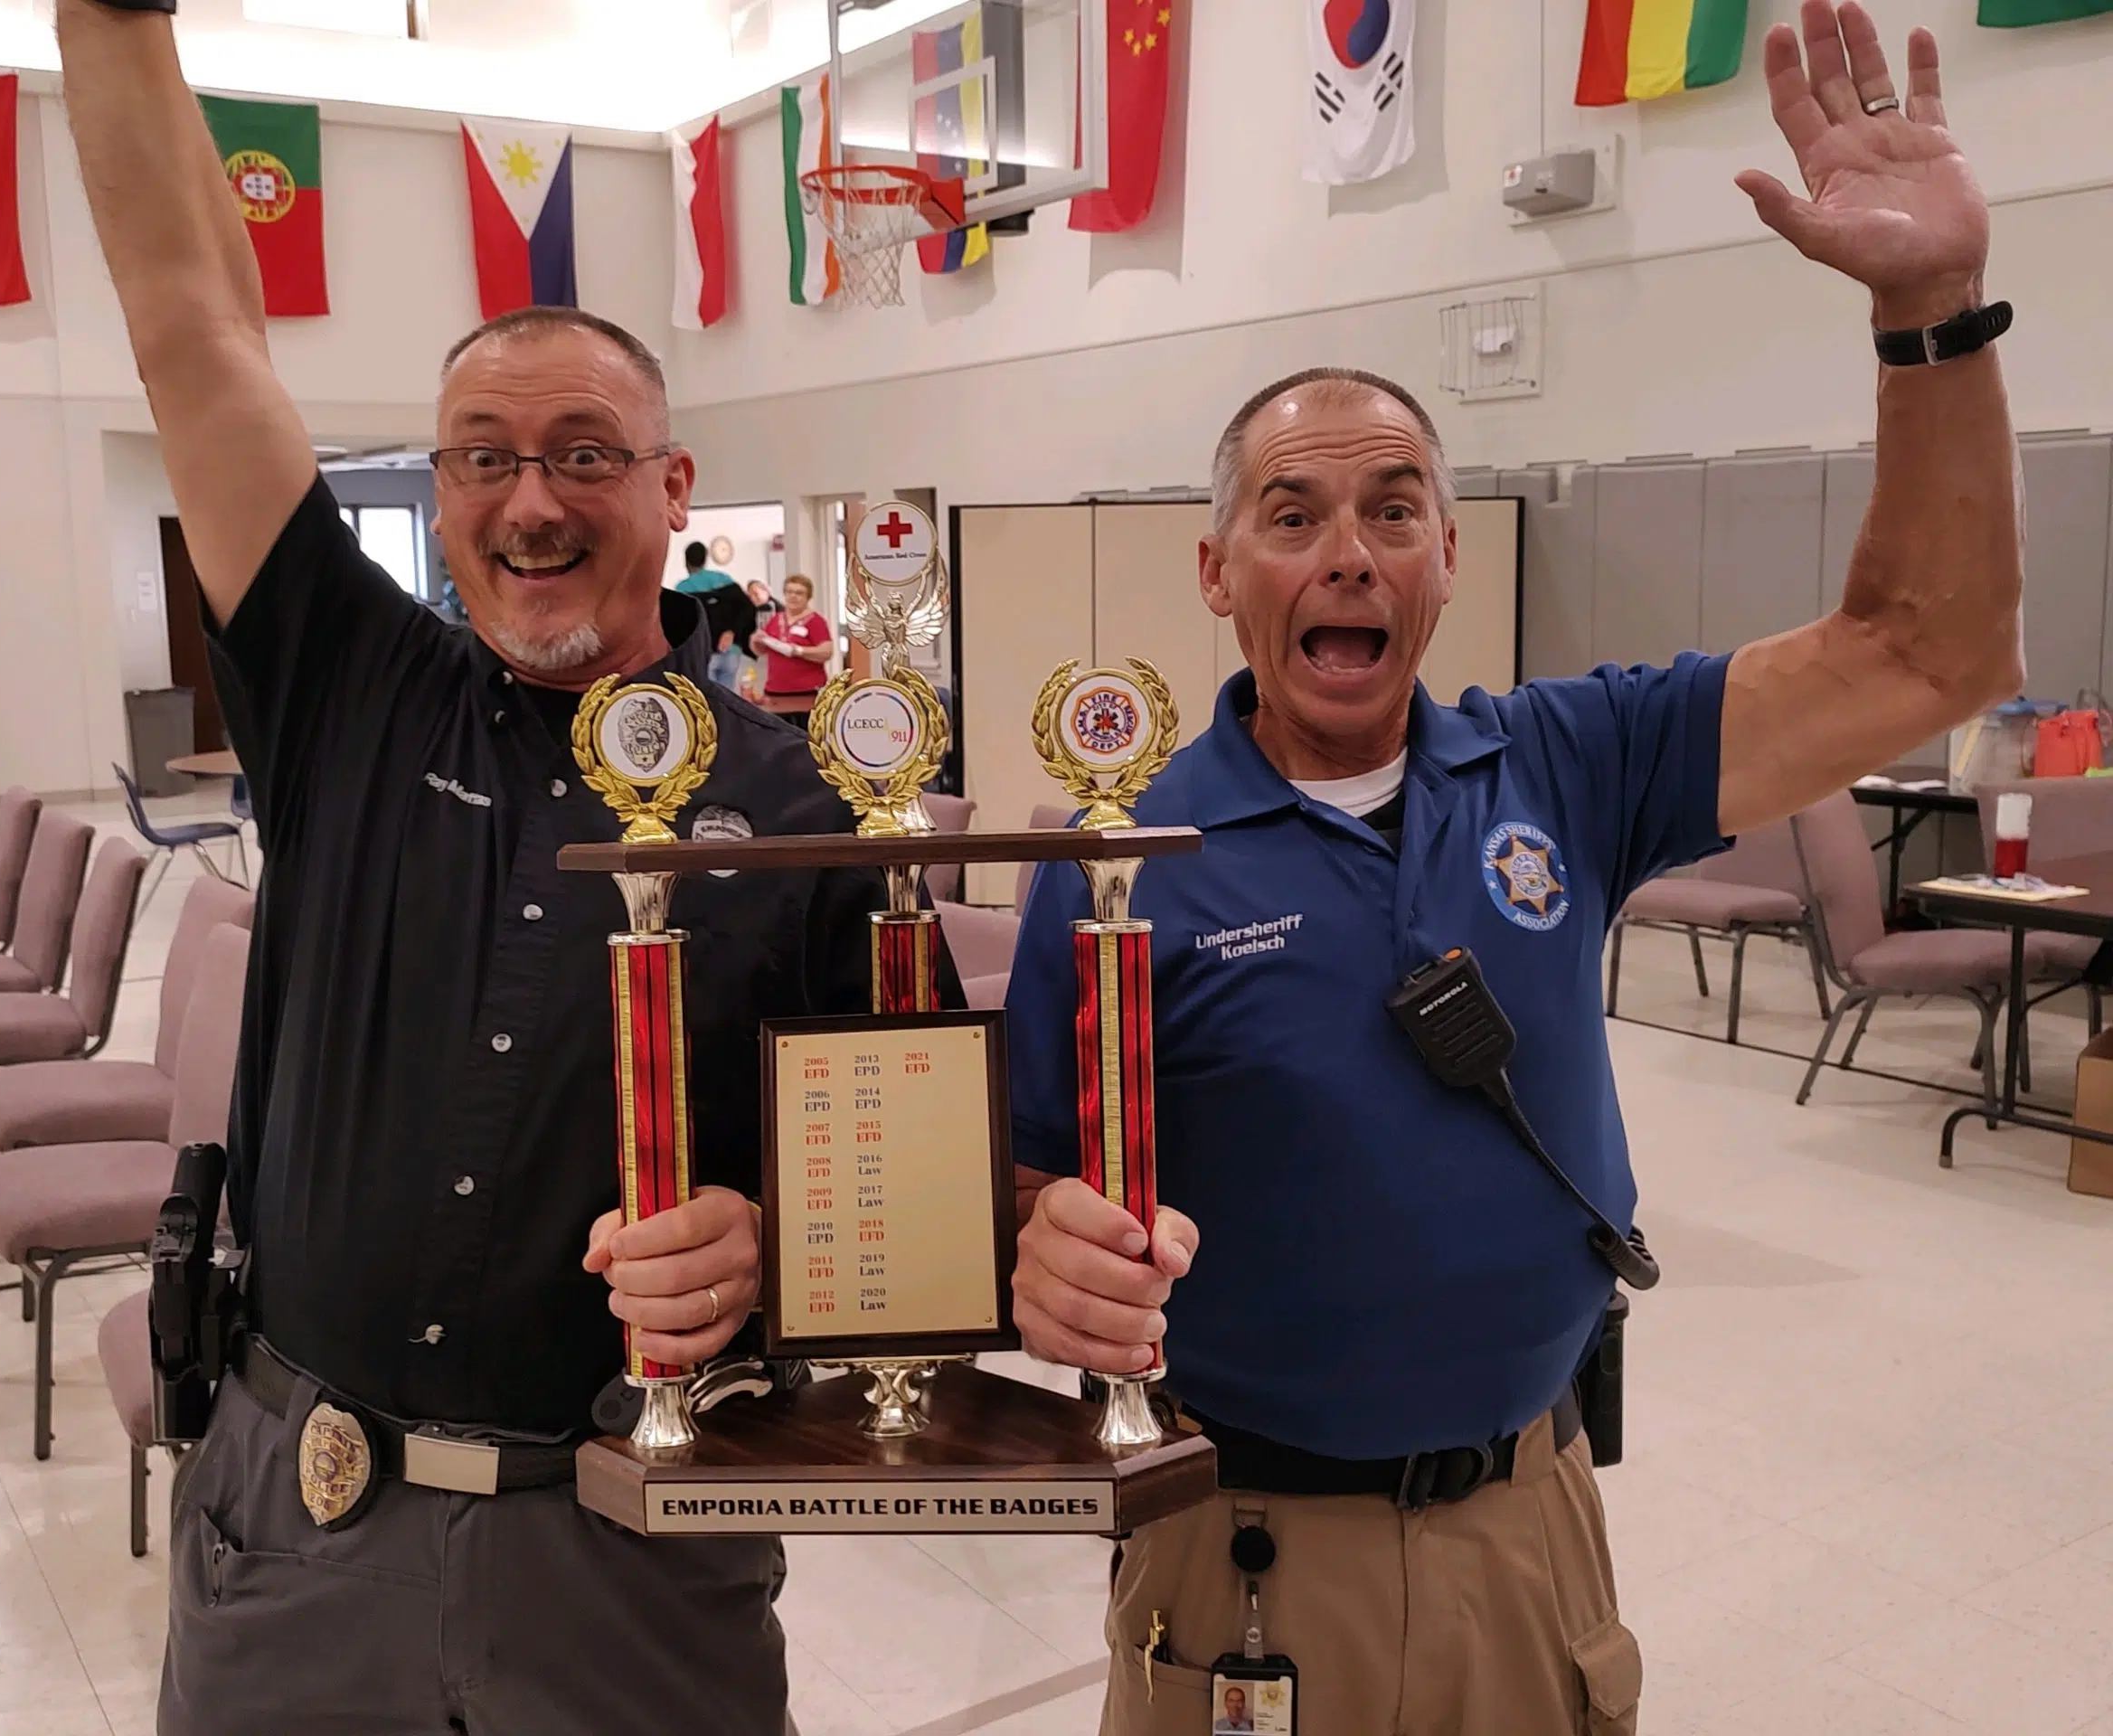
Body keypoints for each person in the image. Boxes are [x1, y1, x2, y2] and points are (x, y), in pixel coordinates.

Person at [1004, 9, 2018, 1733]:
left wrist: (1932, 319)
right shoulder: (1124, 860)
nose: (1349, 552)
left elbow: (1930, 652)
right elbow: (1025, 1177)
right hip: (1240, 1555)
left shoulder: (1571, 761)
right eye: (1294, 513)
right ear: (1214, 569)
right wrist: (1039, 1250)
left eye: (1396, 509)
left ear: (1451, 558)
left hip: (1531, 1524)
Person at [53, 3, 931, 1730]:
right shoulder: (347, 686)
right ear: (440, 496)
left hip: (629, 1550)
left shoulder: (810, 806)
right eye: (486, 461)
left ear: (672, 487)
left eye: (587, 456)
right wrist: (113, 22)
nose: (534, 501)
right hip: (306, 1526)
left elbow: (874, 1185)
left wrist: (765, 1248)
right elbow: (189, 322)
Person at [751, 572, 834, 721]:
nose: (793, 596)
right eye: (789, 592)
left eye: (799, 593)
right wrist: (756, 642)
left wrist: (798, 651)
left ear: (808, 597)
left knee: (806, 739)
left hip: (806, 696)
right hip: (776, 695)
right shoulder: (776, 619)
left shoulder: (816, 621)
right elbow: (762, 651)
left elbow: (827, 652)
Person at [676, 538, 756, 688]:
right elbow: (747, 608)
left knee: (708, 701)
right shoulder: (724, 580)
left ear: (686, 561)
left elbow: (681, 625)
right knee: (728, 699)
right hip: (731, 649)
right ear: (705, 559)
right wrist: (732, 632)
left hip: (703, 652)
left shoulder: (683, 588)